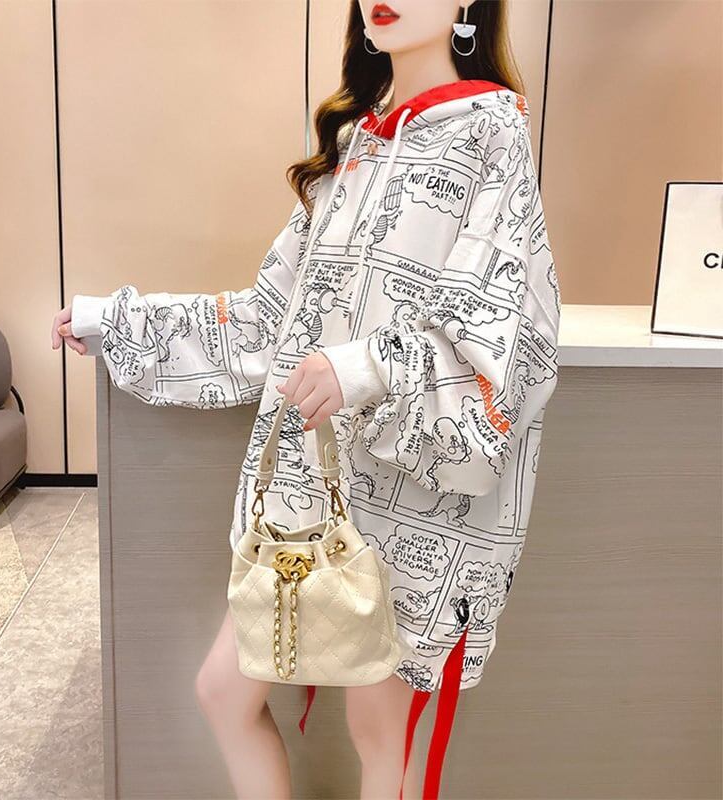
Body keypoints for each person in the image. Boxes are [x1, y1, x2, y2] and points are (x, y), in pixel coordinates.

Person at [51, 1, 561, 797]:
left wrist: (364, 367)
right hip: (308, 494)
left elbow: (510, 342)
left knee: (378, 735)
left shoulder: (491, 131)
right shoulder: (358, 144)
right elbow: (269, 318)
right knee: (224, 693)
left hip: (409, 501)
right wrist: (118, 322)